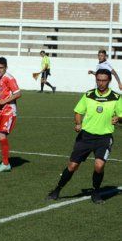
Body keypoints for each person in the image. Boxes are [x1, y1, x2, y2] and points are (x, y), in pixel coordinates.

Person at [46, 69, 122, 204]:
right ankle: (57, 190)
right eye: (98, 80)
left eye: (104, 80)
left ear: (109, 81)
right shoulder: (88, 95)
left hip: (104, 138)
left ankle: (96, 192)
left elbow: (121, 115)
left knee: (99, 166)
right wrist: (78, 123)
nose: (101, 83)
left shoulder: (116, 97)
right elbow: (78, 111)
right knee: (72, 166)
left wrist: (118, 118)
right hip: (86, 137)